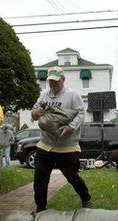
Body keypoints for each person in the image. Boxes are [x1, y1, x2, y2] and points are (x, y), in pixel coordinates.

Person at [31, 66, 92, 212]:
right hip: (45, 145)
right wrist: (36, 113)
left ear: (63, 79)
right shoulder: (44, 95)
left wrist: (70, 127)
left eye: (56, 81)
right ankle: (40, 209)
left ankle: (86, 199)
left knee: (72, 177)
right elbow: (33, 114)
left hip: (67, 146)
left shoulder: (72, 95)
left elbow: (81, 114)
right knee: (40, 179)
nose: (52, 84)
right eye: (50, 81)